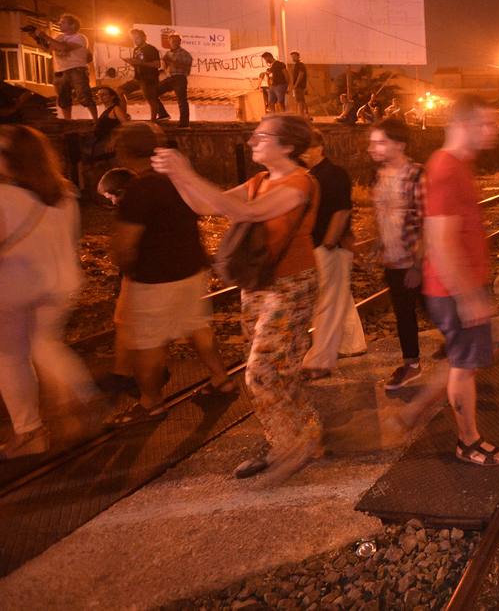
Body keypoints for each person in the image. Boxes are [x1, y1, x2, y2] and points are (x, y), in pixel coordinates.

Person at [152, 114, 322, 481]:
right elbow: (206, 206)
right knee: (282, 370)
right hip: (258, 282)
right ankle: (296, 438)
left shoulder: (300, 183)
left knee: (261, 373)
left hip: (291, 285)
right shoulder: (260, 180)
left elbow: (244, 212)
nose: (252, 141)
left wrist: (186, 170)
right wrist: (178, 175)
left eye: (261, 136)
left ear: (288, 146)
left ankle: (290, 449)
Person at [106, 124, 236, 425]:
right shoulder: (178, 181)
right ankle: (221, 378)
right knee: (198, 327)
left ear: (125, 153)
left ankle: (151, 402)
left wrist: (126, 271)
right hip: (191, 269)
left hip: (154, 277)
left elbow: (126, 243)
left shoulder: (138, 190)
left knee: (149, 342)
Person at [422, 95, 499, 466]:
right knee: (463, 365)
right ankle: (469, 442)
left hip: (460, 286)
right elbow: (441, 239)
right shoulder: (446, 169)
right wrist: (466, 296)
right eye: (487, 123)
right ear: (462, 125)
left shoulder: (458, 165)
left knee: (465, 362)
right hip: (454, 289)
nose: (495, 130)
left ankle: (452, 428)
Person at [0, 125, 98, 458]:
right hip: (61, 284)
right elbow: (72, 239)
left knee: (11, 358)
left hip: (14, 288)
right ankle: (82, 396)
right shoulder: (65, 192)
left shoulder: (4, 198)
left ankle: (29, 433)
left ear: (10, 160)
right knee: (45, 345)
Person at [301, 130, 367, 377]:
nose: (304, 153)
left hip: (329, 246)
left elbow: (342, 210)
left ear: (320, 147)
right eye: (301, 149)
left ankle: (319, 361)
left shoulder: (334, 174)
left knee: (326, 303)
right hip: (324, 245)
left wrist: (329, 242)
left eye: (308, 147)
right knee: (339, 298)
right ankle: (353, 344)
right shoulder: (309, 175)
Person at [368, 116, 425, 390]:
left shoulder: (417, 175)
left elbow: (428, 221)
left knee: (435, 309)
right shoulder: (379, 175)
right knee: (404, 313)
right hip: (392, 259)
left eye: (380, 142)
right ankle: (411, 364)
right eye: (372, 142)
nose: (373, 148)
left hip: (416, 260)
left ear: (399, 145)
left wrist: (418, 265)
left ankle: (462, 352)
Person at [30, 14, 98, 121]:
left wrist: (46, 37)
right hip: (60, 71)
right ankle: (68, 121)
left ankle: (96, 120)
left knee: (84, 96)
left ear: (73, 25)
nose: (59, 24)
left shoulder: (80, 37)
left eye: (63, 22)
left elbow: (64, 47)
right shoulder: (60, 37)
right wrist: (37, 38)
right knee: (63, 99)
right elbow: (48, 49)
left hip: (76, 69)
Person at [64, 85, 129, 192]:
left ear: (112, 97)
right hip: (100, 144)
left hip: (109, 146)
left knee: (114, 173)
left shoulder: (115, 109)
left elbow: (125, 124)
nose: (101, 96)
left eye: (104, 94)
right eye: (99, 95)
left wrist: (114, 140)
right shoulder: (106, 111)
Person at [127, 28, 169, 122]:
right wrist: (132, 62)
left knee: (150, 97)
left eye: (137, 38)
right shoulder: (136, 50)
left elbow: (157, 64)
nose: (135, 40)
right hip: (137, 77)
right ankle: (163, 114)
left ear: (144, 37)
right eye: (133, 38)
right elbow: (138, 63)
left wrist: (141, 63)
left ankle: (153, 120)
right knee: (120, 90)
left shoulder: (151, 49)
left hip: (149, 78)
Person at [156, 34, 193, 126]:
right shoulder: (168, 53)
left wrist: (172, 62)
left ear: (180, 42)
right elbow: (164, 66)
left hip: (180, 78)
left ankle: (184, 124)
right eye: (172, 41)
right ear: (169, 42)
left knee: (182, 101)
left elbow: (186, 67)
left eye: (176, 41)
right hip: (170, 78)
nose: (174, 43)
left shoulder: (185, 53)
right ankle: (163, 114)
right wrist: (164, 64)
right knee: (152, 93)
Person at [288, 52, 309, 118]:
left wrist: (296, 85)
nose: (293, 58)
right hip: (299, 85)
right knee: (302, 100)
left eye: (294, 56)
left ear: (298, 56)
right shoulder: (296, 65)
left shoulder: (300, 64)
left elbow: (301, 74)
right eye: (292, 57)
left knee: (299, 100)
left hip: (299, 86)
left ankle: (301, 115)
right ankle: (306, 114)